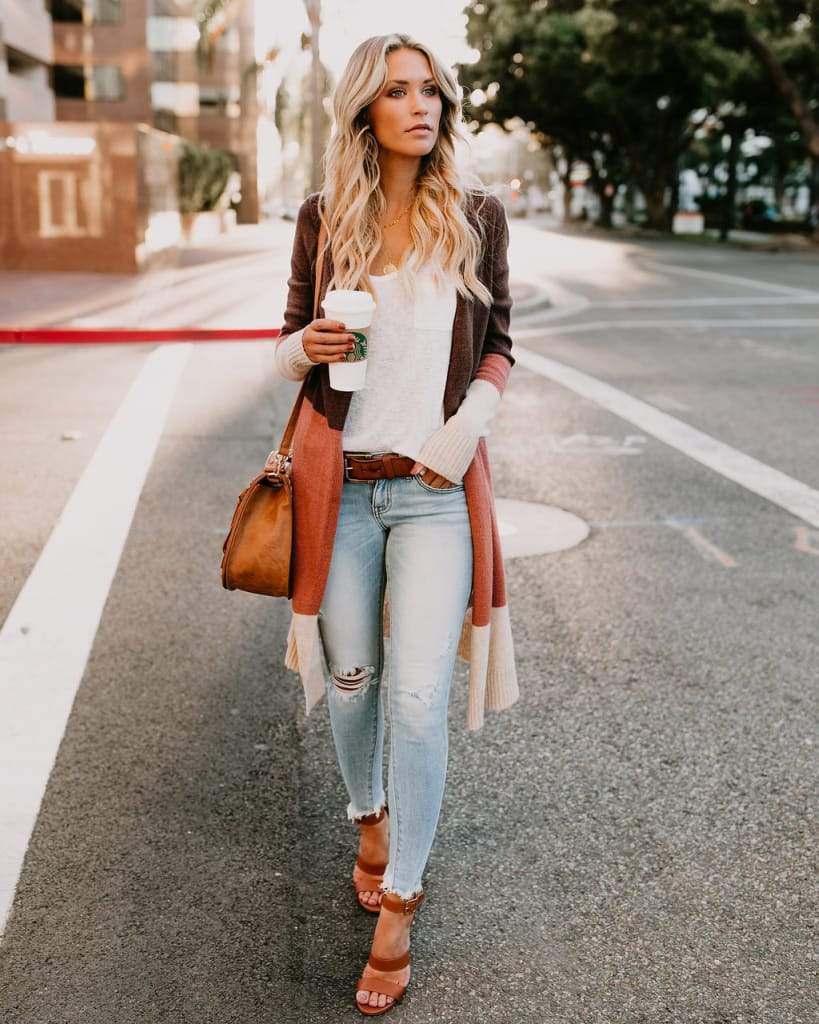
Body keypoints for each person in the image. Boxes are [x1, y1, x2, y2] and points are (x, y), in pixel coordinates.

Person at [274, 33, 519, 1016]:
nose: (422, 106)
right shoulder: (325, 218)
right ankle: (366, 813)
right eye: (398, 91)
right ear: (364, 109)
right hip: (342, 489)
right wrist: (304, 344)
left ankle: (402, 899)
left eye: (432, 90)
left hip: (430, 491)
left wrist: (466, 429)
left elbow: (500, 344)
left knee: (418, 701)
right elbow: (287, 338)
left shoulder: (478, 217)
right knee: (350, 684)